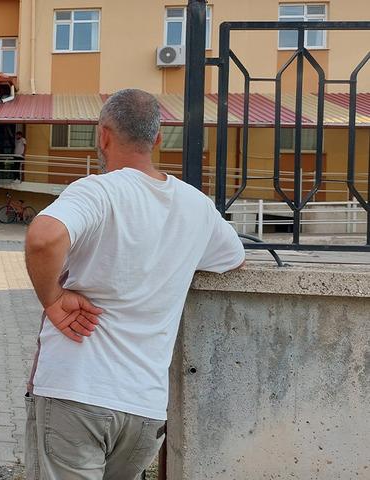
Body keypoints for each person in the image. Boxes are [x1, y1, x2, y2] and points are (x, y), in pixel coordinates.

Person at [23, 89, 245, 480]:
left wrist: (54, 299)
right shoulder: (196, 206)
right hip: (144, 409)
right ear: (157, 140)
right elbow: (232, 257)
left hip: (77, 391)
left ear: (103, 135)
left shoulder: (97, 191)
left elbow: (44, 239)